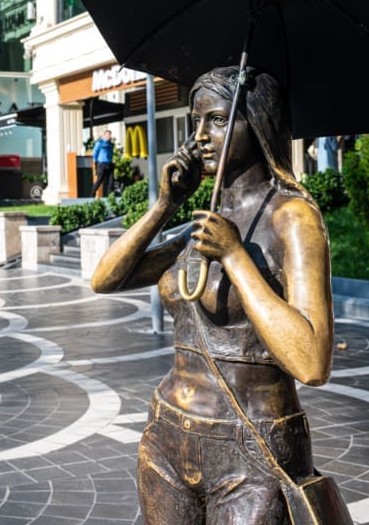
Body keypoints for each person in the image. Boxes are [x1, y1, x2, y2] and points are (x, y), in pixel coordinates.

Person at [91, 66, 342, 524]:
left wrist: (235, 257)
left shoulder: (293, 219)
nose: (202, 136)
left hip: (253, 448)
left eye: (220, 120)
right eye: (196, 121)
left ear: (260, 123)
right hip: (168, 433)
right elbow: (106, 279)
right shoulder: (203, 223)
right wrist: (165, 205)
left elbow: (311, 360)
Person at [92, 129, 115, 198]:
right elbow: (95, 153)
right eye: (108, 134)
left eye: (110, 134)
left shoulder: (110, 144)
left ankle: (110, 196)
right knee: (100, 180)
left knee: (111, 180)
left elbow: (111, 153)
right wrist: (96, 162)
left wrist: (111, 160)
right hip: (101, 164)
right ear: (104, 135)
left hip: (109, 164)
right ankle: (92, 193)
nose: (109, 136)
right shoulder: (100, 143)